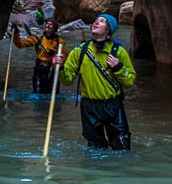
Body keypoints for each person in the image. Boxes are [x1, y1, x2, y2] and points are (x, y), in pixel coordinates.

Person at [51, 13, 136, 150]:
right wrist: (60, 68)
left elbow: (130, 81)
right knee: (95, 149)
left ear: (108, 31)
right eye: (95, 21)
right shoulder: (79, 51)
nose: (96, 23)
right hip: (89, 106)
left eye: (101, 21)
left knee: (122, 146)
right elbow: (67, 80)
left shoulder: (118, 52)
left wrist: (118, 67)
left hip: (113, 105)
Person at [12, 16, 66, 94]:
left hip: (52, 71)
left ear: (54, 29)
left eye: (50, 24)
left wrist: (56, 58)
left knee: (52, 93)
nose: (48, 25)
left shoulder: (60, 42)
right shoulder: (38, 39)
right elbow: (20, 44)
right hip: (39, 70)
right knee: (37, 92)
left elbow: (64, 56)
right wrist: (16, 33)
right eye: (47, 24)